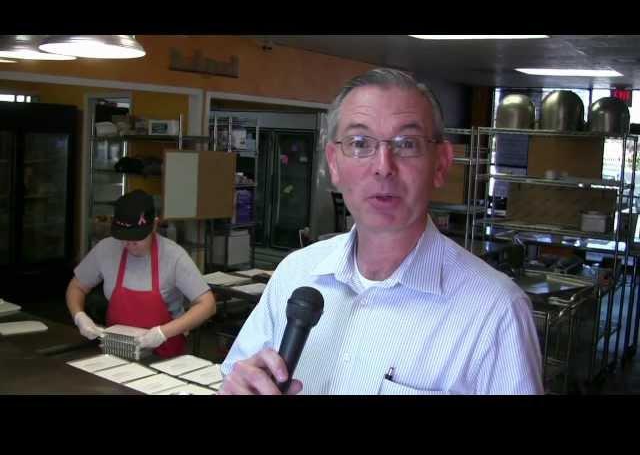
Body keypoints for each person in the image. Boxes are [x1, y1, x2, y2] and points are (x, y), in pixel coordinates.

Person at [219, 68, 543, 395]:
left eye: (407, 144)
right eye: (360, 143)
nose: (384, 166)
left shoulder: (496, 311)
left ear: (441, 163)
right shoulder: (294, 274)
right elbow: (239, 378)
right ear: (333, 163)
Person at [66, 189, 216, 358]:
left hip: (165, 356)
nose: (129, 244)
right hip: (118, 352)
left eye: (137, 239)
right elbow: (77, 286)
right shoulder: (106, 249)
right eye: (124, 238)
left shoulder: (173, 256)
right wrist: (79, 316)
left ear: (154, 225)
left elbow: (207, 304)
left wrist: (162, 333)